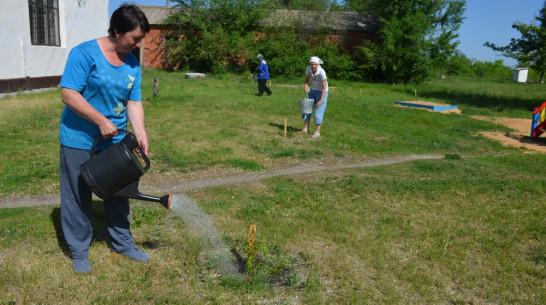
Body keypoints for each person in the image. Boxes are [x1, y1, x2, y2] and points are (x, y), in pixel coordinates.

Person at [58, 4, 151, 274]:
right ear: (117, 31)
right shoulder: (85, 53)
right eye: (134, 38)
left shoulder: (132, 63)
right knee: (78, 195)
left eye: (140, 39)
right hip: (79, 137)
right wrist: (100, 120)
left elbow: (133, 103)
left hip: (115, 140)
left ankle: (123, 244)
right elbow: (69, 94)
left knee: (119, 191)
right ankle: (79, 251)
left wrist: (141, 133)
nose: (137, 44)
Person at [298, 56, 329, 138]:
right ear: (310, 64)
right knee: (306, 108)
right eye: (312, 64)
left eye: (315, 64)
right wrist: (305, 85)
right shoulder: (308, 69)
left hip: (322, 92)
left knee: (318, 110)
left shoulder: (321, 72)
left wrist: (321, 100)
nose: (313, 66)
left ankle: (317, 132)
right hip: (312, 90)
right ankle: (306, 129)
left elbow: (324, 88)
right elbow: (306, 79)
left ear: (318, 64)